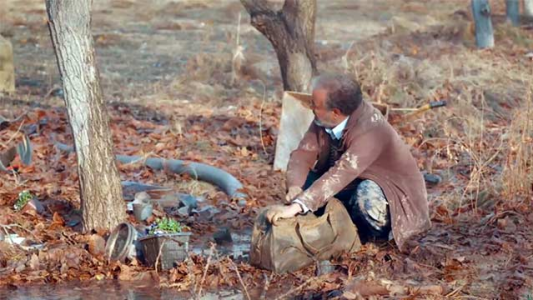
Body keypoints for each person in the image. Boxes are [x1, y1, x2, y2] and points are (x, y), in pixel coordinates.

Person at [266, 73, 431, 251]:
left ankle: (374, 240)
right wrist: (295, 187)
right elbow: (303, 154)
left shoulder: (371, 129)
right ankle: (332, 224)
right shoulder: (324, 118)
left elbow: (342, 172)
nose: (311, 108)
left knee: (366, 197)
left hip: (390, 193)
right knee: (305, 182)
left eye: (316, 105)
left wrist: (297, 206)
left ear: (335, 112)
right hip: (351, 181)